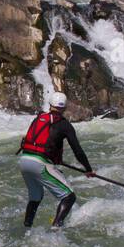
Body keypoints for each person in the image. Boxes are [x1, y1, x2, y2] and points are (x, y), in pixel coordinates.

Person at [15, 92, 95, 229]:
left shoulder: (38, 119)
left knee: (35, 197)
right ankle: (56, 229)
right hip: (40, 164)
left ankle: (26, 227)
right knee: (69, 197)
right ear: (64, 108)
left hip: (24, 161)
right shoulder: (65, 125)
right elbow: (78, 151)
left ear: (50, 105)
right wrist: (88, 169)